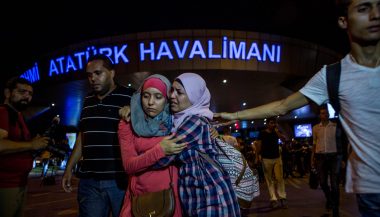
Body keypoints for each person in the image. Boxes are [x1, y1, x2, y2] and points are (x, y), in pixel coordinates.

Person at [215, 0, 380, 215]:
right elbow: (282, 106)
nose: (375, 15)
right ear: (343, 21)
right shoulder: (333, 75)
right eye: (364, 8)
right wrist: (234, 115)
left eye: (379, 6)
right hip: (371, 188)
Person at [154, 73, 241, 216]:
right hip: (199, 197)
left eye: (179, 92)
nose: (172, 96)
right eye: (172, 90)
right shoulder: (180, 120)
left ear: (194, 96)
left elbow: (162, 158)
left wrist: (135, 157)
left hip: (211, 199)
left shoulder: (194, 122)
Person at [61, 54, 135, 217]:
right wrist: (68, 168)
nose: (93, 78)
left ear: (112, 73)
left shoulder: (130, 96)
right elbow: (83, 136)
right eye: (89, 75)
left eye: (98, 73)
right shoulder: (87, 100)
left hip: (120, 181)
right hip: (90, 181)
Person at [117, 74, 186, 217]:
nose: (150, 102)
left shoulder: (177, 121)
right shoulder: (128, 122)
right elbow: (129, 166)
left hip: (170, 199)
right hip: (140, 199)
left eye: (158, 97)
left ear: (167, 99)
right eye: (146, 96)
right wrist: (160, 150)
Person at [0, 77, 49, 217]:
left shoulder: (18, 115)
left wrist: (34, 146)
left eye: (30, 94)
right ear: (8, 93)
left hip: (19, 184)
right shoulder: (3, 112)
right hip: (5, 185)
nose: (27, 96)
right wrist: (31, 144)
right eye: (22, 91)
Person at [311, 105, 343, 216]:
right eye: (323, 113)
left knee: (334, 184)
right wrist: (312, 159)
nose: (326, 114)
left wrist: (341, 158)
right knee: (323, 182)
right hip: (320, 157)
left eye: (326, 113)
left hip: (334, 157)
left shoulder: (335, 126)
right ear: (319, 115)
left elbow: (340, 143)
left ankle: (335, 208)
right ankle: (329, 199)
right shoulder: (315, 128)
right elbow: (314, 144)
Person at [256, 117, 288, 209]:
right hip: (266, 159)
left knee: (280, 178)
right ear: (267, 124)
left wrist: (277, 131)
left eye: (274, 123)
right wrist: (257, 157)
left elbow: (284, 140)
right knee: (269, 180)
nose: (273, 125)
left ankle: (282, 197)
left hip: (277, 158)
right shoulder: (262, 133)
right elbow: (259, 145)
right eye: (271, 123)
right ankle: (273, 199)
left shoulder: (276, 132)